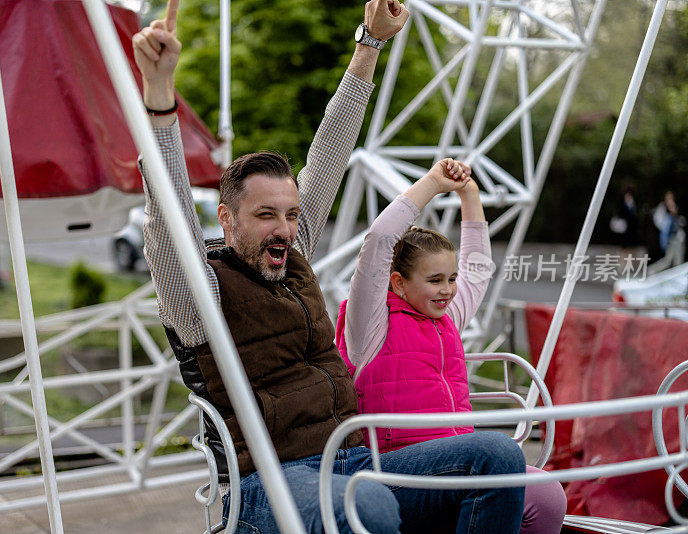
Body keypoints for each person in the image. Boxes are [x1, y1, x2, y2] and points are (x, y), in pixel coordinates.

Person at [134, 0, 526, 531]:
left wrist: (371, 43)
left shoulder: (291, 260)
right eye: (266, 214)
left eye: (292, 214)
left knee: (497, 458)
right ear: (226, 219)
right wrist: (160, 99)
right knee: (370, 507)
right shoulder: (199, 292)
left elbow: (330, 151)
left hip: (353, 456)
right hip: (269, 481)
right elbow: (168, 220)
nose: (284, 227)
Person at [335, 162, 567, 532]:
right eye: (435, 280)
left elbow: (478, 267)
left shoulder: (445, 319)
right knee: (497, 452)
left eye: (452, 279)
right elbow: (379, 241)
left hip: (460, 460)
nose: (448, 289)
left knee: (547, 495)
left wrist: (468, 193)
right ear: (397, 283)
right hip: (396, 467)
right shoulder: (369, 326)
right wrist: (431, 183)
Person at [650, 190, 685, 273]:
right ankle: (652, 270)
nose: (670, 200)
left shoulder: (676, 207)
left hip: (678, 238)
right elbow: (660, 223)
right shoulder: (663, 209)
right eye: (668, 198)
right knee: (668, 261)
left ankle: (677, 278)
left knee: (677, 261)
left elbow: (681, 222)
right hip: (670, 239)